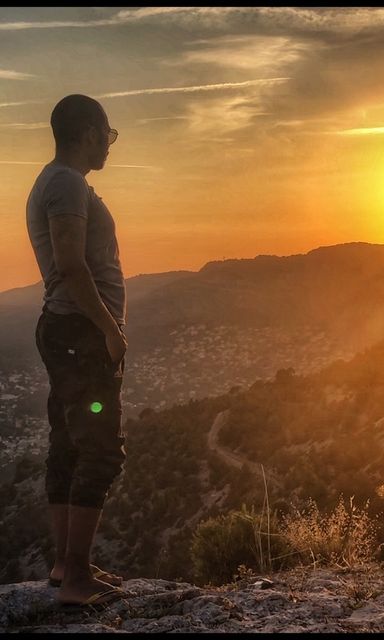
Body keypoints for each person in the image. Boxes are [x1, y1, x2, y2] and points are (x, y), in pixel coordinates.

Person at [26, 94, 128, 607]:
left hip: (66, 331)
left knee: (68, 444)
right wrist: (110, 329)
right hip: (79, 334)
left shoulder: (61, 181)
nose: (109, 144)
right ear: (88, 131)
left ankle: (67, 563)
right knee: (101, 450)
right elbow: (70, 264)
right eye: (108, 134)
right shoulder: (65, 182)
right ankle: (77, 578)